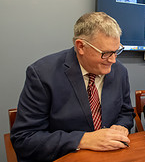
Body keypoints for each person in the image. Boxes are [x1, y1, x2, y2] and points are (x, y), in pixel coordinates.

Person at [11, 12, 134, 162]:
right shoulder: (42, 75)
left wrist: (120, 126)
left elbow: (126, 113)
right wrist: (83, 140)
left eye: (117, 51)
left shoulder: (119, 72)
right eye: (106, 53)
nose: (113, 60)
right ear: (81, 46)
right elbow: (25, 139)